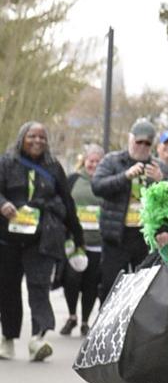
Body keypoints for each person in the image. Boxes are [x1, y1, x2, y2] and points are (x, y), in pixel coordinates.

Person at [0, 122, 82, 361]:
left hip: (43, 239)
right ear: (21, 138)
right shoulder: (6, 163)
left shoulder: (53, 167)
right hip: (8, 239)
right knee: (8, 289)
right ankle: (8, 339)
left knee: (39, 287)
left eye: (42, 137)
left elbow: (67, 202)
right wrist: (3, 204)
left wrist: (77, 238)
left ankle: (38, 339)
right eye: (32, 136)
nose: (38, 141)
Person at [92, 119, 162, 296]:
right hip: (116, 237)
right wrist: (124, 176)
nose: (142, 146)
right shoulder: (112, 161)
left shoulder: (158, 167)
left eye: (147, 143)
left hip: (144, 237)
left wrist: (161, 180)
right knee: (111, 288)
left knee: (143, 290)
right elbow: (97, 186)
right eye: (139, 141)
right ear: (130, 139)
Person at [60, 143, 104, 337]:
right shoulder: (74, 180)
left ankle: (85, 321)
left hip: (98, 244)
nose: (93, 165)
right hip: (76, 242)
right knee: (71, 280)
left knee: (91, 285)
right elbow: (63, 204)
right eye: (91, 161)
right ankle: (72, 316)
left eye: (98, 161)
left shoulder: (107, 183)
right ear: (84, 161)